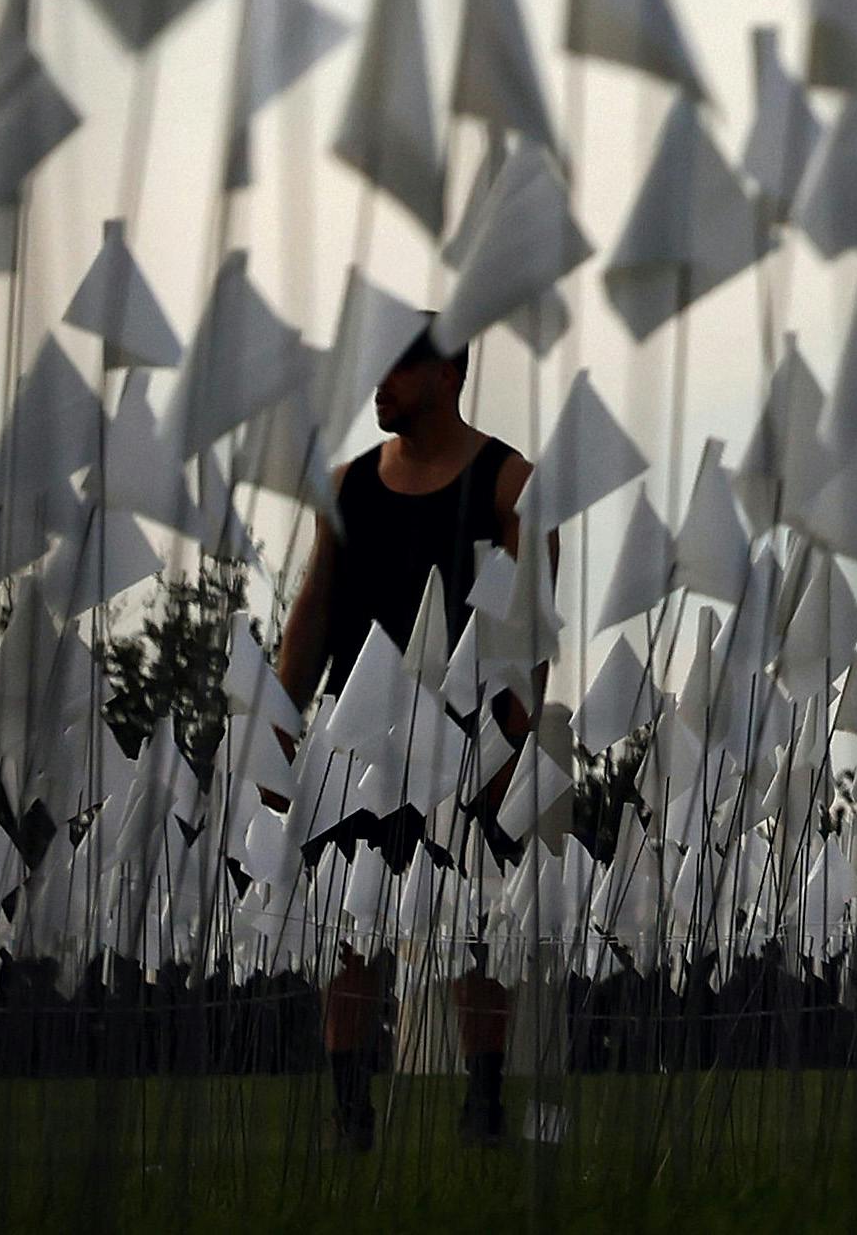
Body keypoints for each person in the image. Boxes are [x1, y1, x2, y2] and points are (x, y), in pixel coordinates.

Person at [267, 317, 532, 1151]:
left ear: (449, 374)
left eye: (397, 369)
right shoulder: (346, 486)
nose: (378, 384)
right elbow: (311, 617)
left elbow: (529, 630)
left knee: (473, 927)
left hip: (470, 740)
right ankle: (350, 1113)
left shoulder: (508, 482)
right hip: (359, 739)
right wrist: (271, 736)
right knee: (350, 929)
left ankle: (483, 1106)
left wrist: (514, 753)